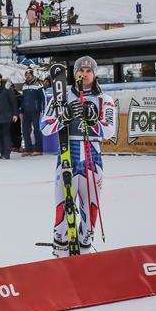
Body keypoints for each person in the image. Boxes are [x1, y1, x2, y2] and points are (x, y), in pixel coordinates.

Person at [40, 56, 116, 257]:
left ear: (95, 73)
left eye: (89, 70)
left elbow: (109, 132)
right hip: (68, 153)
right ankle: (60, 246)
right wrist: (63, 118)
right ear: (74, 74)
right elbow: (45, 127)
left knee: (90, 210)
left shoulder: (104, 100)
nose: (84, 73)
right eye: (80, 71)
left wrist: (93, 120)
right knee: (63, 207)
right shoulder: (60, 97)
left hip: (93, 155)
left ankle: (85, 246)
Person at [20, 69, 45, 156]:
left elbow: (43, 97)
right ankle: (28, 149)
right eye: (26, 75)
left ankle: (38, 149)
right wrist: (21, 109)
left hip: (36, 110)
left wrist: (43, 109)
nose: (27, 76)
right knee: (25, 130)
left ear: (32, 75)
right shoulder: (24, 85)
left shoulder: (38, 84)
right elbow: (23, 98)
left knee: (36, 129)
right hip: (26, 111)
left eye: (29, 75)